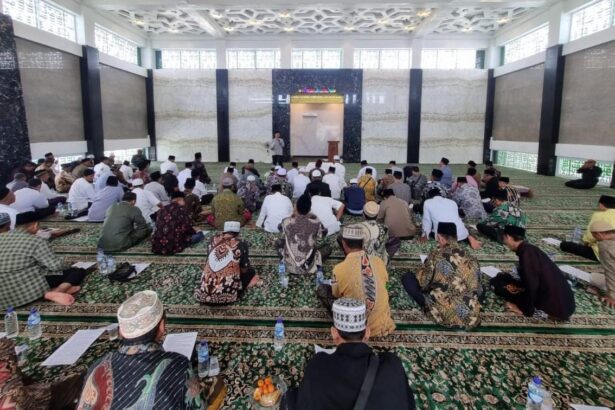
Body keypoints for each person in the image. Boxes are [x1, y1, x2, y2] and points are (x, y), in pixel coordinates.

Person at [77, 290, 206, 409]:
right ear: (162, 326)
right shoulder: (178, 365)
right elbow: (199, 405)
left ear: (121, 332)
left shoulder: (96, 367)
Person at [285, 298, 416, 410]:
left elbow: (298, 404)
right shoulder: (392, 366)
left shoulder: (319, 366)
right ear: (367, 333)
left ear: (334, 333)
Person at [317, 226, 395, 337]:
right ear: (363, 242)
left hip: (357, 328)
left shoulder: (339, 269)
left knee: (322, 289)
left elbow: (337, 295)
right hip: (381, 324)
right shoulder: (378, 261)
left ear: (343, 243)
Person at [402, 222, 482, 329]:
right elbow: (477, 284)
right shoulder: (471, 257)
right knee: (481, 287)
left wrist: (421, 270)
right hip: (469, 315)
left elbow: (423, 283)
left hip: (441, 313)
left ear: (440, 238)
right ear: (456, 237)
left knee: (407, 278)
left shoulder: (435, 255)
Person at [0, 215, 90, 307]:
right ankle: (57, 291)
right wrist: (70, 263)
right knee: (77, 271)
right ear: (35, 225)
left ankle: (54, 290)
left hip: (3, 298)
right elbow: (56, 266)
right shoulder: (35, 240)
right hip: (27, 292)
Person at [490, 225, 575, 321]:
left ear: (508, 237)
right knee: (503, 278)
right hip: (564, 303)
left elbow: (532, 286)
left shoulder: (526, 254)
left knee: (500, 286)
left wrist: (525, 310)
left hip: (556, 307)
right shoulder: (529, 249)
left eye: (504, 238)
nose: (504, 242)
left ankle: (532, 309)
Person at [195, 221, 260, 305]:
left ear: (224, 231)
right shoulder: (241, 243)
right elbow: (244, 270)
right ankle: (244, 287)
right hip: (227, 297)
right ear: (238, 233)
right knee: (250, 271)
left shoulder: (212, 240)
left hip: (202, 295)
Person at [278, 194, 329, 275]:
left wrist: (292, 216)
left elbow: (280, 228)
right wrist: (315, 217)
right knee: (327, 247)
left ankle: (284, 260)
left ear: (296, 207)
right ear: (309, 209)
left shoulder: (286, 221)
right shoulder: (316, 222)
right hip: (309, 267)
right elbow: (324, 233)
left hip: (290, 266)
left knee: (279, 242)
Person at [560, 194, 615, 261]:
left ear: (601, 204)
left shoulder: (599, 215)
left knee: (565, 245)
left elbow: (590, 237)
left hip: (606, 253)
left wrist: (586, 243)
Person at [587, 220, 615, 308]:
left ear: (599, 234)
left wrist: (612, 296)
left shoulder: (605, 246)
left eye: (593, 235)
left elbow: (610, 270)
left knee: (593, 278)